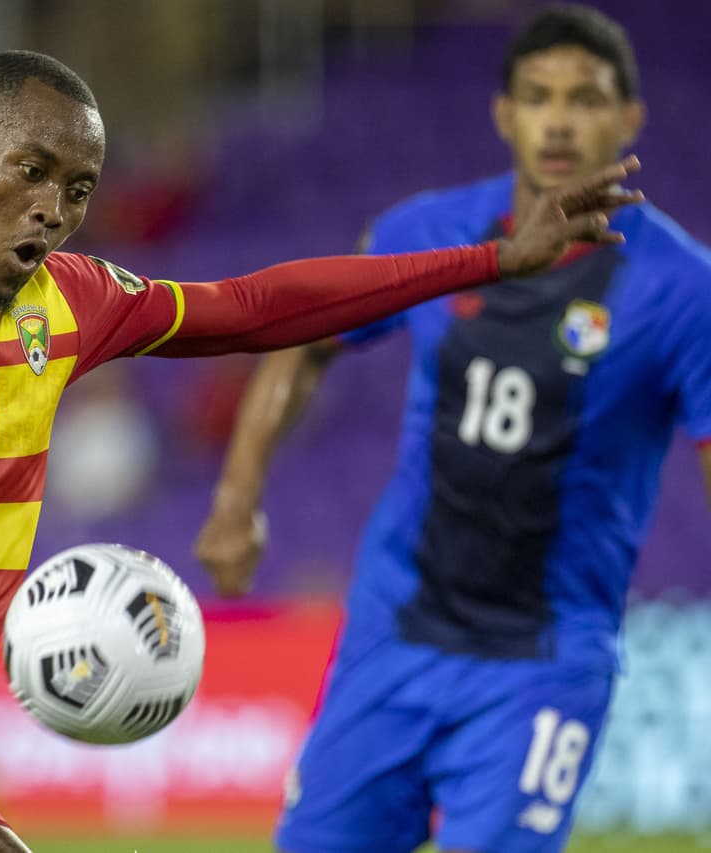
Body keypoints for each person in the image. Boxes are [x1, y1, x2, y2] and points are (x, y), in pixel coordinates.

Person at [0, 49, 639, 853]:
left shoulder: (73, 302)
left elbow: (255, 306)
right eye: (32, 171)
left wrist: (492, 258)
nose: (53, 209)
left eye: (79, 187)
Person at [195, 7, 710, 853]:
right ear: (504, 113)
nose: (558, 119)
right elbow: (307, 340)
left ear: (630, 119)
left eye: (585, 99)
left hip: (541, 664)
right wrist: (237, 492)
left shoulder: (683, 291)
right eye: (538, 97)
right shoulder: (424, 232)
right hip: (392, 632)